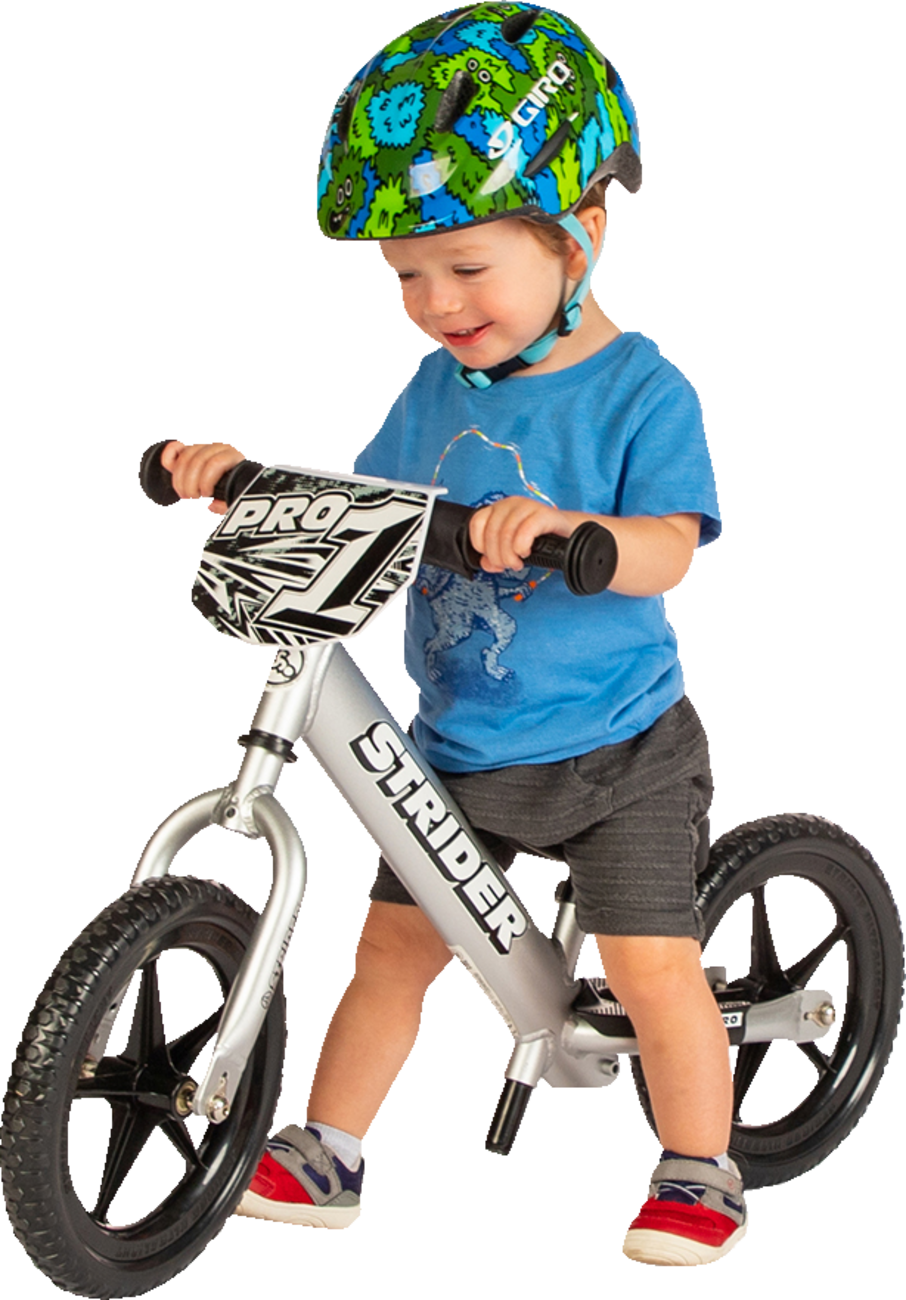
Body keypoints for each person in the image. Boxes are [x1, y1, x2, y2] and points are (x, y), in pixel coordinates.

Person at [162, 4, 740, 1267]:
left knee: (650, 966)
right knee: (389, 947)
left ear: (583, 233)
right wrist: (249, 482)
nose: (433, 303)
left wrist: (576, 531)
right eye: (405, 277)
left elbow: (671, 547)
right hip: (460, 748)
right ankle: (328, 1150)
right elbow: (365, 501)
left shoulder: (643, 390)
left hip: (616, 752)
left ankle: (700, 1166)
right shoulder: (436, 387)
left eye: (466, 268)